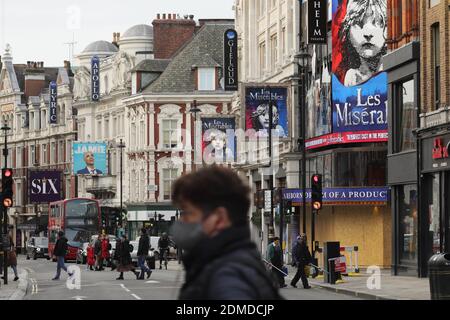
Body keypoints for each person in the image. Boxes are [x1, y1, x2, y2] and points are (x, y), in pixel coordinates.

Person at [171, 165, 282, 300]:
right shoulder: (232, 263)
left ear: (219, 218)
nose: (182, 221)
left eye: (188, 213)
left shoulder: (229, 278)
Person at [334, 0, 387, 87]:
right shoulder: (351, 77)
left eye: (378, 22)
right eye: (358, 23)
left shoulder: (391, 70)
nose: (368, 33)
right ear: (347, 31)